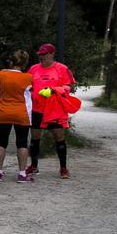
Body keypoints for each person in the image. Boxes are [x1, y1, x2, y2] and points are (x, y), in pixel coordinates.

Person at [27, 43, 77, 179]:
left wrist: (54, 90)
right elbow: (27, 85)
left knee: (59, 138)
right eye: (40, 55)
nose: (42, 57)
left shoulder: (62, 69)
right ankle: (34, 166)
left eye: (44, 55)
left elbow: (69, 87)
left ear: (52, 54)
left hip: (55, 110)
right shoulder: (33, 69)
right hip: (37, 109)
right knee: (35, 137)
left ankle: (63, 168)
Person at [0, 50, 34, 183]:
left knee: (1, 141)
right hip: (21, 113)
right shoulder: (28, 77)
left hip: (3, 111)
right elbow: (30, 92)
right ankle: (22, 174)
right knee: (22, 142)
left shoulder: (0, 74)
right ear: (24, 63)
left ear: (11, 60)